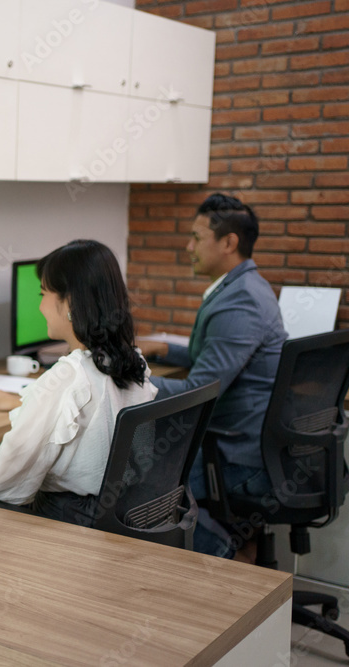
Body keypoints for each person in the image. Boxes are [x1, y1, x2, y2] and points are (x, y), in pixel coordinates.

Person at [0, 240, 157, 525]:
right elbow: (96, 414)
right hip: (114, 517)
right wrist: (27, 400)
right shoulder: (130, 361)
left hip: (67, 523)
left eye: (43, 292)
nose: (40, 304)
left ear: (70, 302)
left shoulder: (68, 376)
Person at [137, 193, 286, 559]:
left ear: (228, 242)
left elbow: (197, 390)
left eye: (196, 237)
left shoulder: (241, 301)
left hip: (238, 458)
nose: (189, 247)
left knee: (143, 489)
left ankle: (224, 555)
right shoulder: (244, 286)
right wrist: (162, 349)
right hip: (249, 444)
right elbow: (221, 355)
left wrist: (126, 378)